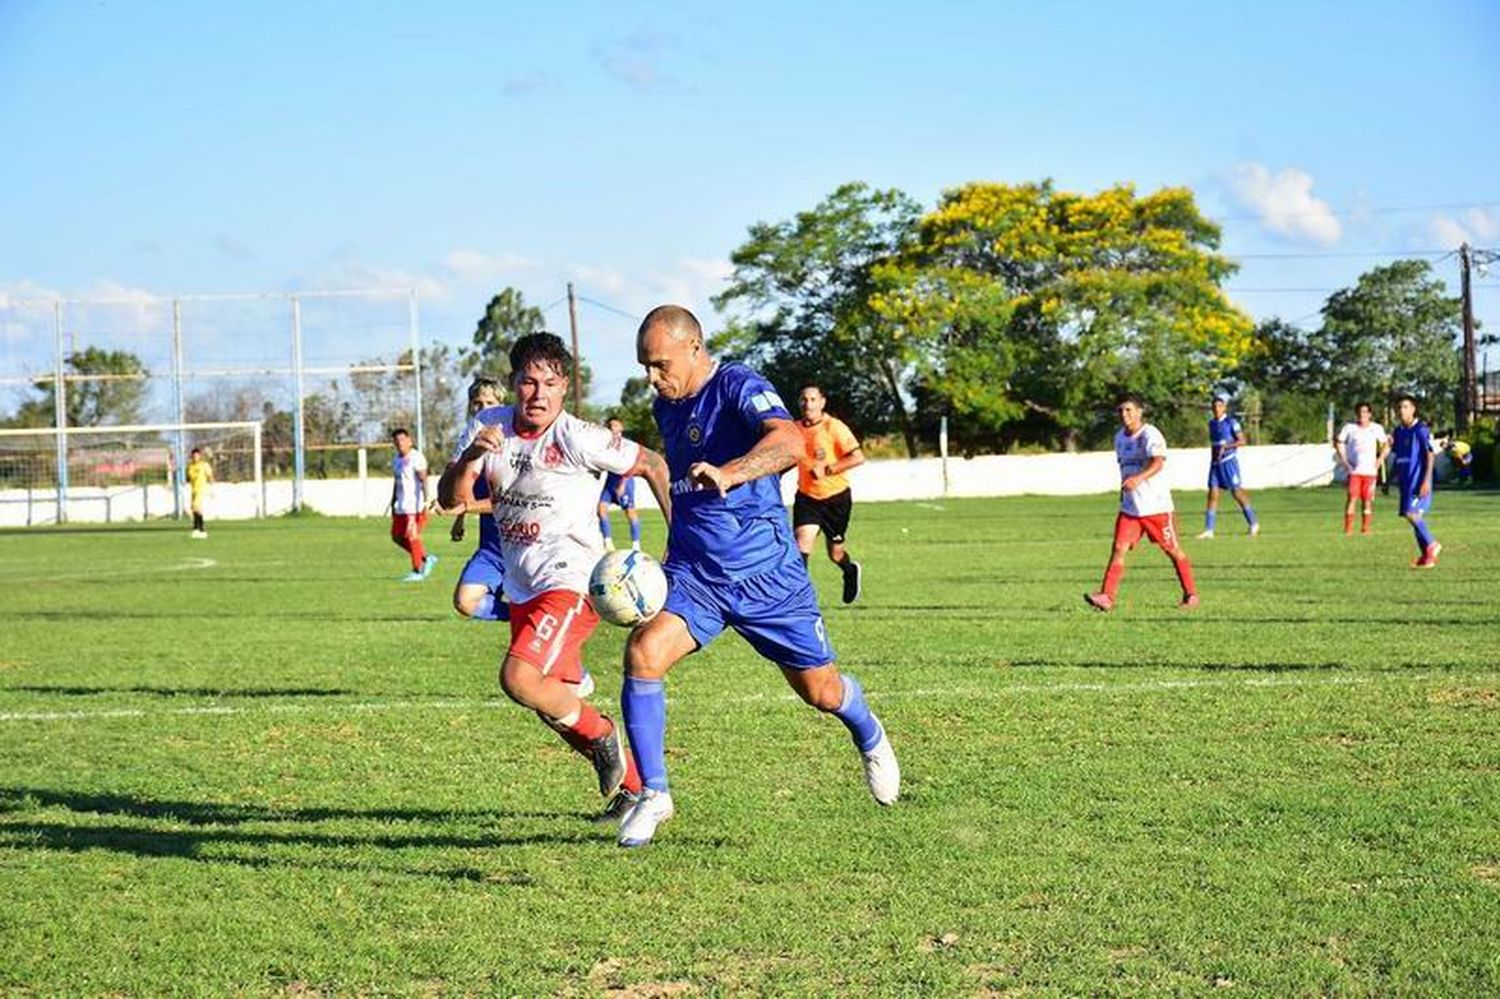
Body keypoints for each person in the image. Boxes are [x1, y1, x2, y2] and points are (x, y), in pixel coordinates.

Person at [614, 305, 899, 849]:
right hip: (697, 576)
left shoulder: (738, 384)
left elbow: (790, 442)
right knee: (643, 653)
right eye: (645, 367)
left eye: (658, 364)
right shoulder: (666, 404)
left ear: (694, 348)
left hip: (767, 575)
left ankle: (868, 731)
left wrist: (731, 472)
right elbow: (675, 476)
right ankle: (655, 792)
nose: (652, 377)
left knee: (821, 691)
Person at [438, 332, 674, 818]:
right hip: (522, 583)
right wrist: (470, 458)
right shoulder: (487, 425)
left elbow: (652, 463)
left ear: (565, 387)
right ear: (512, 384)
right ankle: (632, 790)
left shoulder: (578, 437)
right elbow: (450, 499)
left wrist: (682, 538)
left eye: (550, 383)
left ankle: (604, 735)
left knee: (520, 677)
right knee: (551, 701)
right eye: (528, 382)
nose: (538, 394)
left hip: (572, 582)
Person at [1085, 395, 1198, 612]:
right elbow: (1124, 470)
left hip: (1156, 506)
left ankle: (1191, 594)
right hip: (1130, 508)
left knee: (1173, 550)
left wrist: (1139, 478)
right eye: (1120, 411)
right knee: (1118, 548)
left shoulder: (1150, 434)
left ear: (1139, 412)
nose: (1124, 415)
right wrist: (1125, 490)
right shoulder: (1119, 438)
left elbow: (1158, 462)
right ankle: (1106, 597)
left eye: (1128, 410)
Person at [443, 376, 510, 620]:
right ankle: (519, 615)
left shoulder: (511, 445)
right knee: (465, 601)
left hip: (524, 547)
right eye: (476, 403)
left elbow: (510, 500)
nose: (482, 409)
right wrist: (460, 518)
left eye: (489, 403)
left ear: (502, 405)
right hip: (492, 548)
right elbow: (467, 492)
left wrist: (466, 508)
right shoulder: (468, 445)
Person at [793, 384, 866, 603]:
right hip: (807, 498)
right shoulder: (795, 429)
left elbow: (858, 457)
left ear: (822, 402)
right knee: (801, 545)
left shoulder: (834, 427)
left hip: (836, 499)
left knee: (835, 553)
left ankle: (849, 569)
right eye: (804, 400)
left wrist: (827, 469)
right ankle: (800, 600)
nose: (808, 404)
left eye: (813, 399)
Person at [1195, 396, 1259, 539]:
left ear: (1224, 408)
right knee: (1212, 494)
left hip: (1229, 462)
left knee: (1237, 493)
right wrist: (1214, 458)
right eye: (1214, 407)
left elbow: (1242, 441)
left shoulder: (1231, 422)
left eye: (1219, 406)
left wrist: (1228, 446)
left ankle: (1253, 523)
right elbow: (1214, 444)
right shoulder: (1211, 424)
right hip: (1216, 464)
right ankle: (1209, 530)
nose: (1216, 409)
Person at [1391, 394, 1441, 568]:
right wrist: (1390, 478)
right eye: (1399, 407)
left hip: (1418, 481)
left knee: (1413, 515)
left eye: (1405, 407)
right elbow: (1397, 456)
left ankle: (1432, 544)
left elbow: (1430, 454)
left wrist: (1426, 480)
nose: (1401, 410)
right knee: (1410, 515)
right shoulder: (1398, 431)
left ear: (1413, 409)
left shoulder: (1421, 429)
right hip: (1405, 482)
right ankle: (1426, 556)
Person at [1334, 402, 1390, 535]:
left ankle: (1365, 529)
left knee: (1367, 500)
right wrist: (1345, 461)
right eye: (1360, 412)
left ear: (1370, 414)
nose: (1362, 415)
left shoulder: (1376, 428)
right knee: (1352, 498)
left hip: (1370, 472)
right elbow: (1339, 442)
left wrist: (1380, 459)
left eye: (1365, 412)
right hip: (1355, 471)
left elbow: (1386, 445)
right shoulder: (1349, 428)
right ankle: (1348, 529)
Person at [390, 428, 436, 582]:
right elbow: (396, 483)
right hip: (401, 506)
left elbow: (423, 479)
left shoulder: (416, 458)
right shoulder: (396, 460)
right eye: (396, 441)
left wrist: (426, 501)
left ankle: (418, 570)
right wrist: (392, 502)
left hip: (414, 507)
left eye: (402, 440)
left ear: (409, 441)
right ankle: (426, 557)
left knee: (412, 536)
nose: (399, 443)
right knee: (396, 536)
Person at [597, 416, 642, 552]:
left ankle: (636, 545)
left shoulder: (627, 445)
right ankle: (608, 543)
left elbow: (631, 466)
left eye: (614, 426)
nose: (612, 428)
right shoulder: (605, 444)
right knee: (601, 510)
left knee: (630, 512)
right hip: (610, 482)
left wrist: (622, 484)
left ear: (621, 428)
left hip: (624, 482)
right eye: (610, 426)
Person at [185, 447, 213, 539]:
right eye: (193, 456)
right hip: (193, 490)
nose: (195, 457)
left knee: (197, 507)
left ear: (200, 456)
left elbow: (210, 476)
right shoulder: (190, 466)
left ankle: (201, 529)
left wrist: (211, 485)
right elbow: (188, 478)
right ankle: (197, 529)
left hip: (201, 489)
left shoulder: (204, 465)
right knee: (193, 508)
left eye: (196, 455)